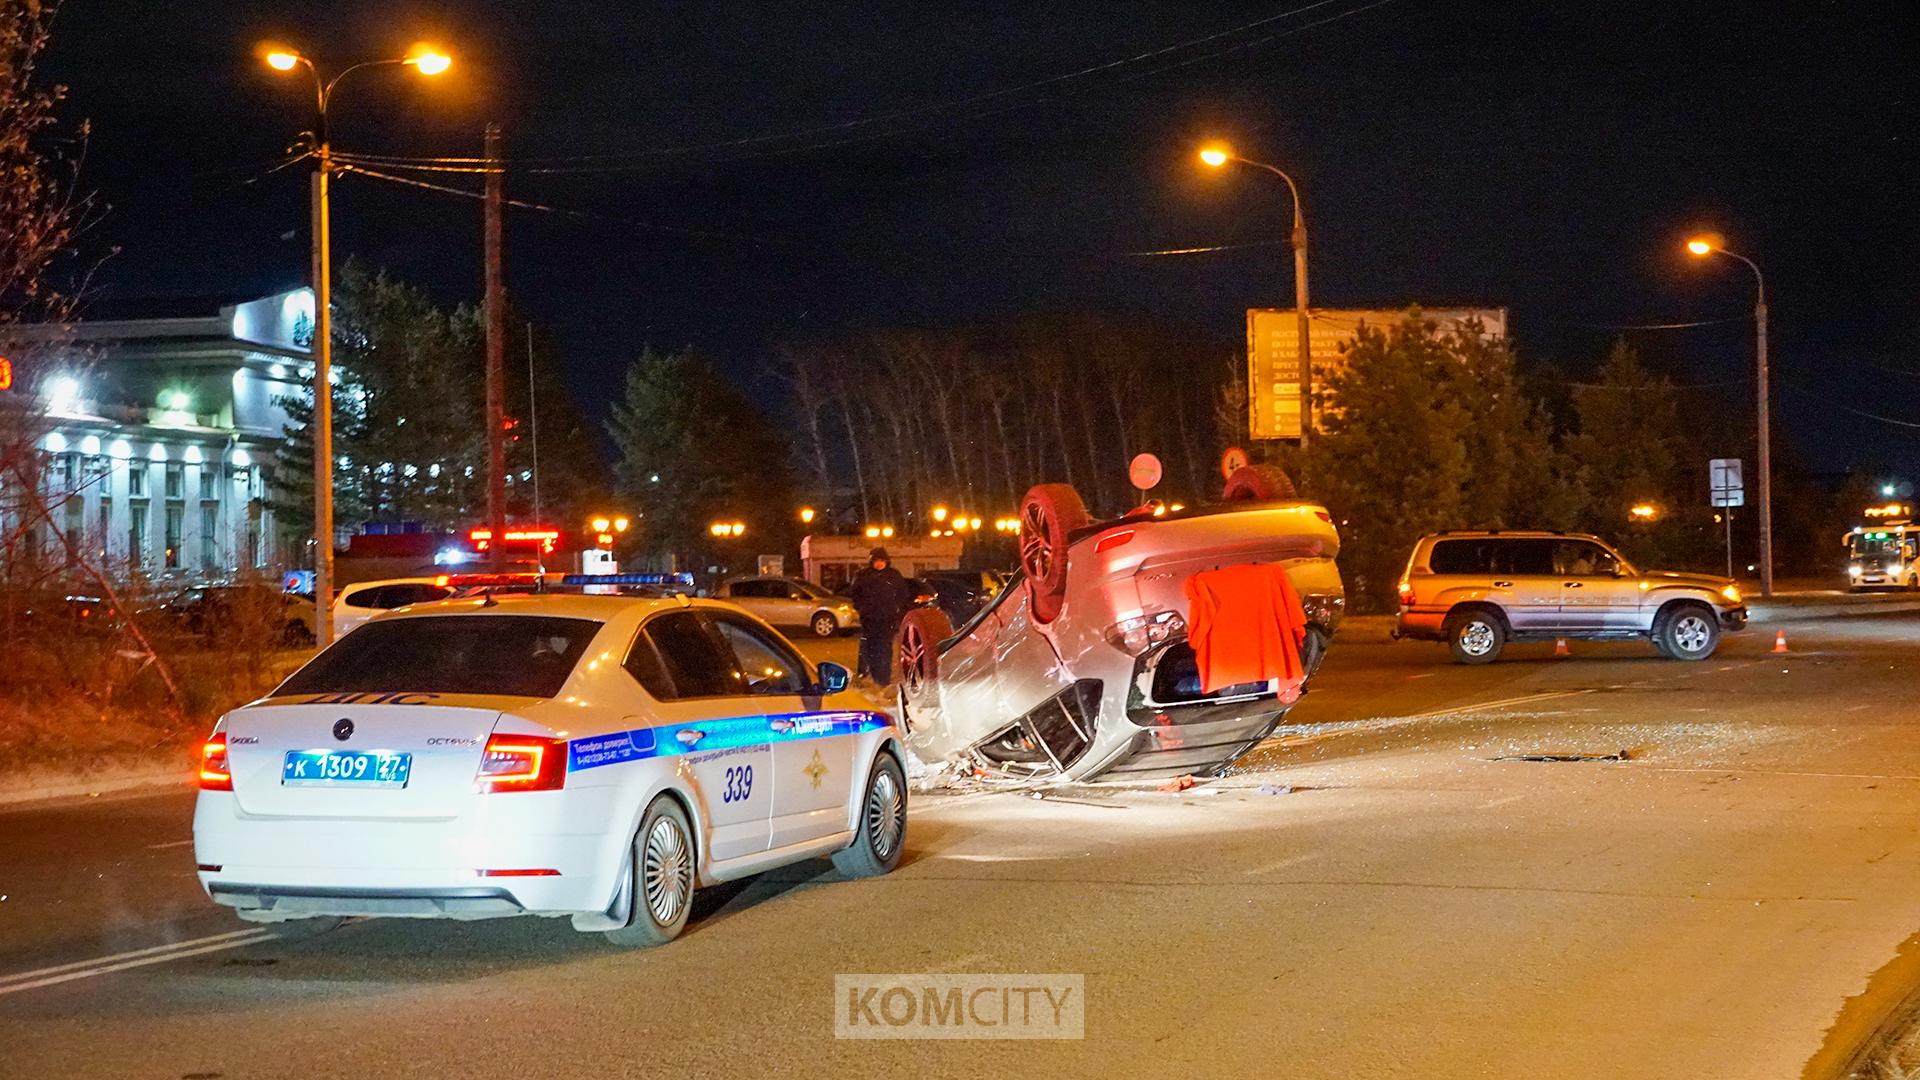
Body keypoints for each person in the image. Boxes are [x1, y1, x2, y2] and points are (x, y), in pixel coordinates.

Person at [847, 547, 914, 685]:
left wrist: (898, 611)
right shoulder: (863, 575)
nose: (879, 564)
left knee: (884, 648)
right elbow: (854, 593)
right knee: (868, 646)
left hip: (888, 618)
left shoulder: (893, 575)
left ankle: (883, 677)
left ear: (886, 561)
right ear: (871, 561)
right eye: (876, 561)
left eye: (882, 561)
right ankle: (864, 673)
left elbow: (902, 594)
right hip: (869, 618)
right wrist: (860, 607)